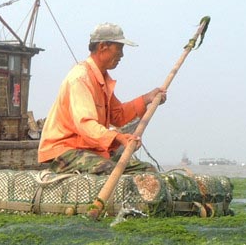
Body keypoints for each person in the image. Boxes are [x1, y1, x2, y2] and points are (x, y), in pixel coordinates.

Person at [37, 23, 166, 175]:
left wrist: (147, 99)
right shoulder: (80, 78)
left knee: (146, 170)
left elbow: (118, 115)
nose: (122, 55)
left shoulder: (101, 79)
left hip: (91, 152)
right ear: (103, 47)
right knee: (112, 172)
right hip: (66, 151)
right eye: (119, 49)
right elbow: (86, 125)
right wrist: (119, 137)